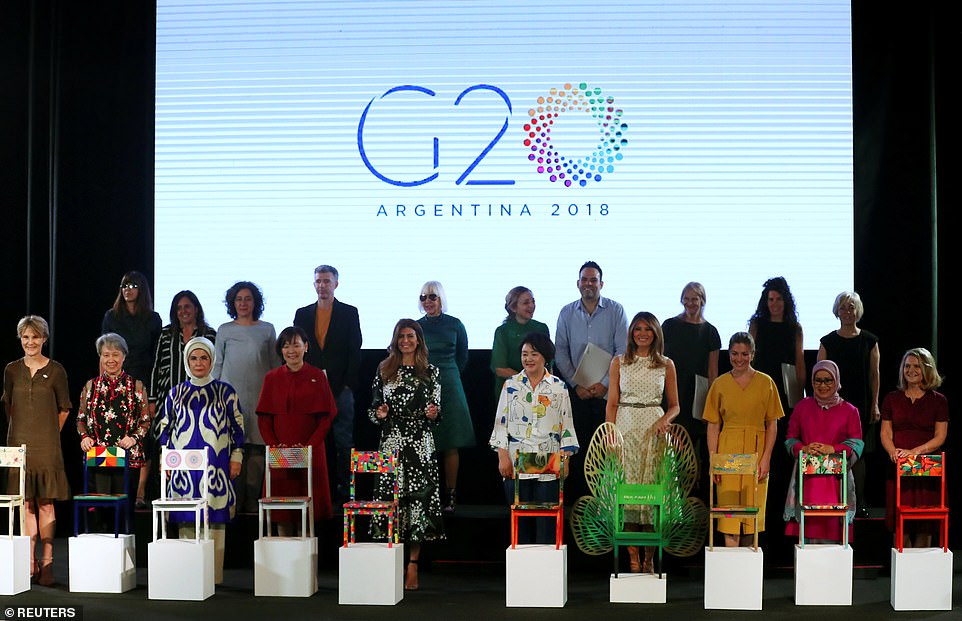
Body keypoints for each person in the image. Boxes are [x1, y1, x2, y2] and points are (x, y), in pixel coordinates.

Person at [157, 336, 245, 584]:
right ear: (187, 361)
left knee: (214, 518)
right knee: (186, 515)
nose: (198, 362)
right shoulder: (176, 393)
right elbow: (165, 428)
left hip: (216, 466)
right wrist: (165, 459)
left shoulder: (225, 392)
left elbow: (238, 428)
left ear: (212, 360)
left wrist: (237, 456)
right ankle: (190, 575)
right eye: (193, 358)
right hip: (183, 469)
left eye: (204, 357)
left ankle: (213, 577)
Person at [369, 319, 444, 591]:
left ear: (419, 340)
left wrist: (434, 414)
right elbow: (373, 408)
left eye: (410, 336)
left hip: (420, 444)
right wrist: (379, 414)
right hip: (392, 442)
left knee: (418, 503)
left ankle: (413, 564)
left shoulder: (431, 371)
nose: (405, 341)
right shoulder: (384, 369)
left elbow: (438, 411)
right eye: (401, 336)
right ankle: (393, 561)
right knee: (392, 501)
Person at [606, 312, 679, 572]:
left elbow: (675, 405)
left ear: (656, 333)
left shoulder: (666, 364)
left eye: (648, 329)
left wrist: (664, 420)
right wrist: (611, 433)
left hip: (654, 432)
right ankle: (633, 560)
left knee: (651, 497)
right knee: (627, 495)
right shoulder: (619, 362)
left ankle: (649, 559)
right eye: (638, 329)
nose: (642, 333)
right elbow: (612, 403)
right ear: (631, 333)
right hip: (626, 429)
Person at [491, 332, 578, 546]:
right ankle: (522, 565)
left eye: (534, 354)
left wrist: (566, 459)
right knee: (520, 525)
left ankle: (545, 565)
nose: (528, 359)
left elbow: (566, 424)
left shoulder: (558, 387)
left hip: (549, 461)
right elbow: (500, 423)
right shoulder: (511, 385)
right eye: (524, 354)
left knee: (547, 524)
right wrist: (502, 456)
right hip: (517, 461)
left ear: (544, 356)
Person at [3, 316, 71, 586]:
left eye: (35, 337)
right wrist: (20, 432)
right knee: (26, 503)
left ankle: (48, 561)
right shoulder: (11, 370)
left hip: (47, 446)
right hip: (18, 445)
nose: (30, 342)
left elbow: (64, 408)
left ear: (44, 339)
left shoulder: (56, 370)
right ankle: (30, 561)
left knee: (45, 502)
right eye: (25, 337)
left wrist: (49, 433)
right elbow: (9, 406)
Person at [703, 332, 785, 547]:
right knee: (729, 513)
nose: (739, 358)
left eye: (744, 354)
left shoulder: (766, 382)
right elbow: (713, 425)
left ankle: (749, 563)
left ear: (753, 354)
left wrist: (766, 457)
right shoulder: (720, 384)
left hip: (756, 451)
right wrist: (714, 460)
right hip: (727, 450)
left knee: (752, 514)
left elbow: (772, 424)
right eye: (734, 353)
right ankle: (732, 562)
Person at [555, 260, 628, 499]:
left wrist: (605, 383)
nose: (589, 284)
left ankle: (604, 501)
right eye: (584, 280)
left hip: (608, 395)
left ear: (601, 284)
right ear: (578, 283)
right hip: (576, 394)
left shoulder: (616, 311)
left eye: (593, 280)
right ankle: (578, 502)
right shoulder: (566, 313)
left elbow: (622, 351)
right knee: (577, 448)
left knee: (605, 449)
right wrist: (575, 384)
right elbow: (560, 352)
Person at [256, 326, 337, 535]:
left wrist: (309, 447)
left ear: (306, 347)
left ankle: (306, 554)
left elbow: (326, 418)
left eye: (296, 345)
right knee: (281, 511)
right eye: (286, 346)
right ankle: (283, 553)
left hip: (310, 450)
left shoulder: (317, 376)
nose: (291, 351)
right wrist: (275, 447)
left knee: (308, 511)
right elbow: (264, 419)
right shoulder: (271, 378)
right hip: (280, 452)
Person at [293, 265, 362, 506]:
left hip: (341, 388)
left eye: (327, 281)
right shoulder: (302, 313)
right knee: (308, 439)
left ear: (336, 284)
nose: (322, 285)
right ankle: (310, 489)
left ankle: (345, 490)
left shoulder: (349, 312)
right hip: (310, 388)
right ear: (314, 284)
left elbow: (355, 351)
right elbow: (296, 348)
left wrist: (348, 385)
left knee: (344, 442)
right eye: (318, 281)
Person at [145, 290, 217, 508]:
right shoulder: (166, 334)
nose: (183, 311)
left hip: (200, 403)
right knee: (166, 447)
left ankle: (197, 498)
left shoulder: (209, 334)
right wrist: (152, 399)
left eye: (187, 307)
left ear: (196, 309)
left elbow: (215, 368)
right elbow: (157, 366)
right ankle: (167, 500)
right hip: (168, 400)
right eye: (179, 308)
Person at [213, 281, 277, 513]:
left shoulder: (267, 329)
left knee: (257, 447)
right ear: (233, 303)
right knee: (233, 446)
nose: (243, 303)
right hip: (231, 400)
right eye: (239, 299)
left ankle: (253, 503)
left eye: (248, 299)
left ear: (255, 302)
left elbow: (274, 366)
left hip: (260, 399)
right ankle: (234, 503)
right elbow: (217, 365)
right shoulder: (224, 330)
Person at [783, 360, 863, 543]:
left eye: (828, 380)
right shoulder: (802, 407)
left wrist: (833, 449)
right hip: (807, 482)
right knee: (808, 536)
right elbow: (790, 439)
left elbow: (856, 443)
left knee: (833, 535)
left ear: (837, 381)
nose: (823, 385)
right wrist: (803, 448)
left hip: (836, 484)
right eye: (818, 380)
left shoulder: (850, 411)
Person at [76, 333, 151, 523]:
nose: (111, 360)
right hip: (98, 457)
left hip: (127, 457)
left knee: (123, 513)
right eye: (106, 355)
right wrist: (84, 437)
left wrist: (133, 438)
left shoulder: (136, 386)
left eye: (115, 354)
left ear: (124, 356)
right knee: (99, 510)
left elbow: (145, 421)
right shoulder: (90, 386)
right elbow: (81, 419)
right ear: (100, 357)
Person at [817, 291, 880, 516]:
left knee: (858, 455)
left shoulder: (870, 341)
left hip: (861, 404)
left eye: (851, 307)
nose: (847, 312)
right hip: (834, 406)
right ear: (837, 311)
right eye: (843, 307)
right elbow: (819, 375)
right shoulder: (827, 341)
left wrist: (875, 404)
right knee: (834, 451)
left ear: (858, 310)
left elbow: (874, 375)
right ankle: (834, 500)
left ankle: (859, 502)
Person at [880, 348, 948, 548]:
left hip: (927, 468)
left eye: (916, 366)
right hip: (898, 466)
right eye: (907, 366)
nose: (911, 370)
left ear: (927, 368)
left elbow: (940, 436)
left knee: (924, 524)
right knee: (900, 524)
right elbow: (885, 433)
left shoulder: (938, 400)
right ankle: (903, 564)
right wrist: (893, 451)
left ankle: (922, 565)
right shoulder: (891, 398)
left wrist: (915, 452)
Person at [417, 281, 474, 512]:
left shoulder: (455, 324)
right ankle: (428, 494)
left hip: (450, 383)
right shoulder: (416, 327)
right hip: (423, 384)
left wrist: (449, 375)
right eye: (423, 297)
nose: (428, 301)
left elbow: (463, 357)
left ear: (441, 298)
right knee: (425, 442)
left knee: (451, 442)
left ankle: (451, 495)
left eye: (432, 296)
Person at [748, 276, 805, 412]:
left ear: (785, 301)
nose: (775, 303)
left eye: (779, 299)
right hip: (761, 381)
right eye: (771, 299)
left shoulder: (795, 328)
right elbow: (749, 357)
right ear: (766, 301)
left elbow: (799, 362)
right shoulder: (756, 325)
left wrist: (800, 391)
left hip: (787, 384)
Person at [101, 271, 162, 385]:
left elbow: (157, 355)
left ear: (142, 289)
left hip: (144, 378)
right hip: (116, 378)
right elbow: (104, 353)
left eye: (133, 286)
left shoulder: (153, 318)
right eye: (124, 286)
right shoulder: (111, 317)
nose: (127, 289)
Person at [490, 286, 550, 400]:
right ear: (513, 307)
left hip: (540, 389)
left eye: (533, 301)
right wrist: (527, 380)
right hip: (511, 391)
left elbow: (548, 362)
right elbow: (500, 369)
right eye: (526, 303)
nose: (531, 305)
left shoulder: (541, 328)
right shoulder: (503, 331)